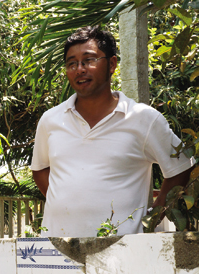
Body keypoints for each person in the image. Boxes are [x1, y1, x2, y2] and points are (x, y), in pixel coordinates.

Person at [31, 26, 194, 237]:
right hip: (59, 251)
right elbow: (40, 169)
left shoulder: (143, 119)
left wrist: (152, 217)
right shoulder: (51, 120)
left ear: (112, 64)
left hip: (122, 253)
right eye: (72, 63)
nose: (80, 69)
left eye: (89, 60)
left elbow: (181, 168)